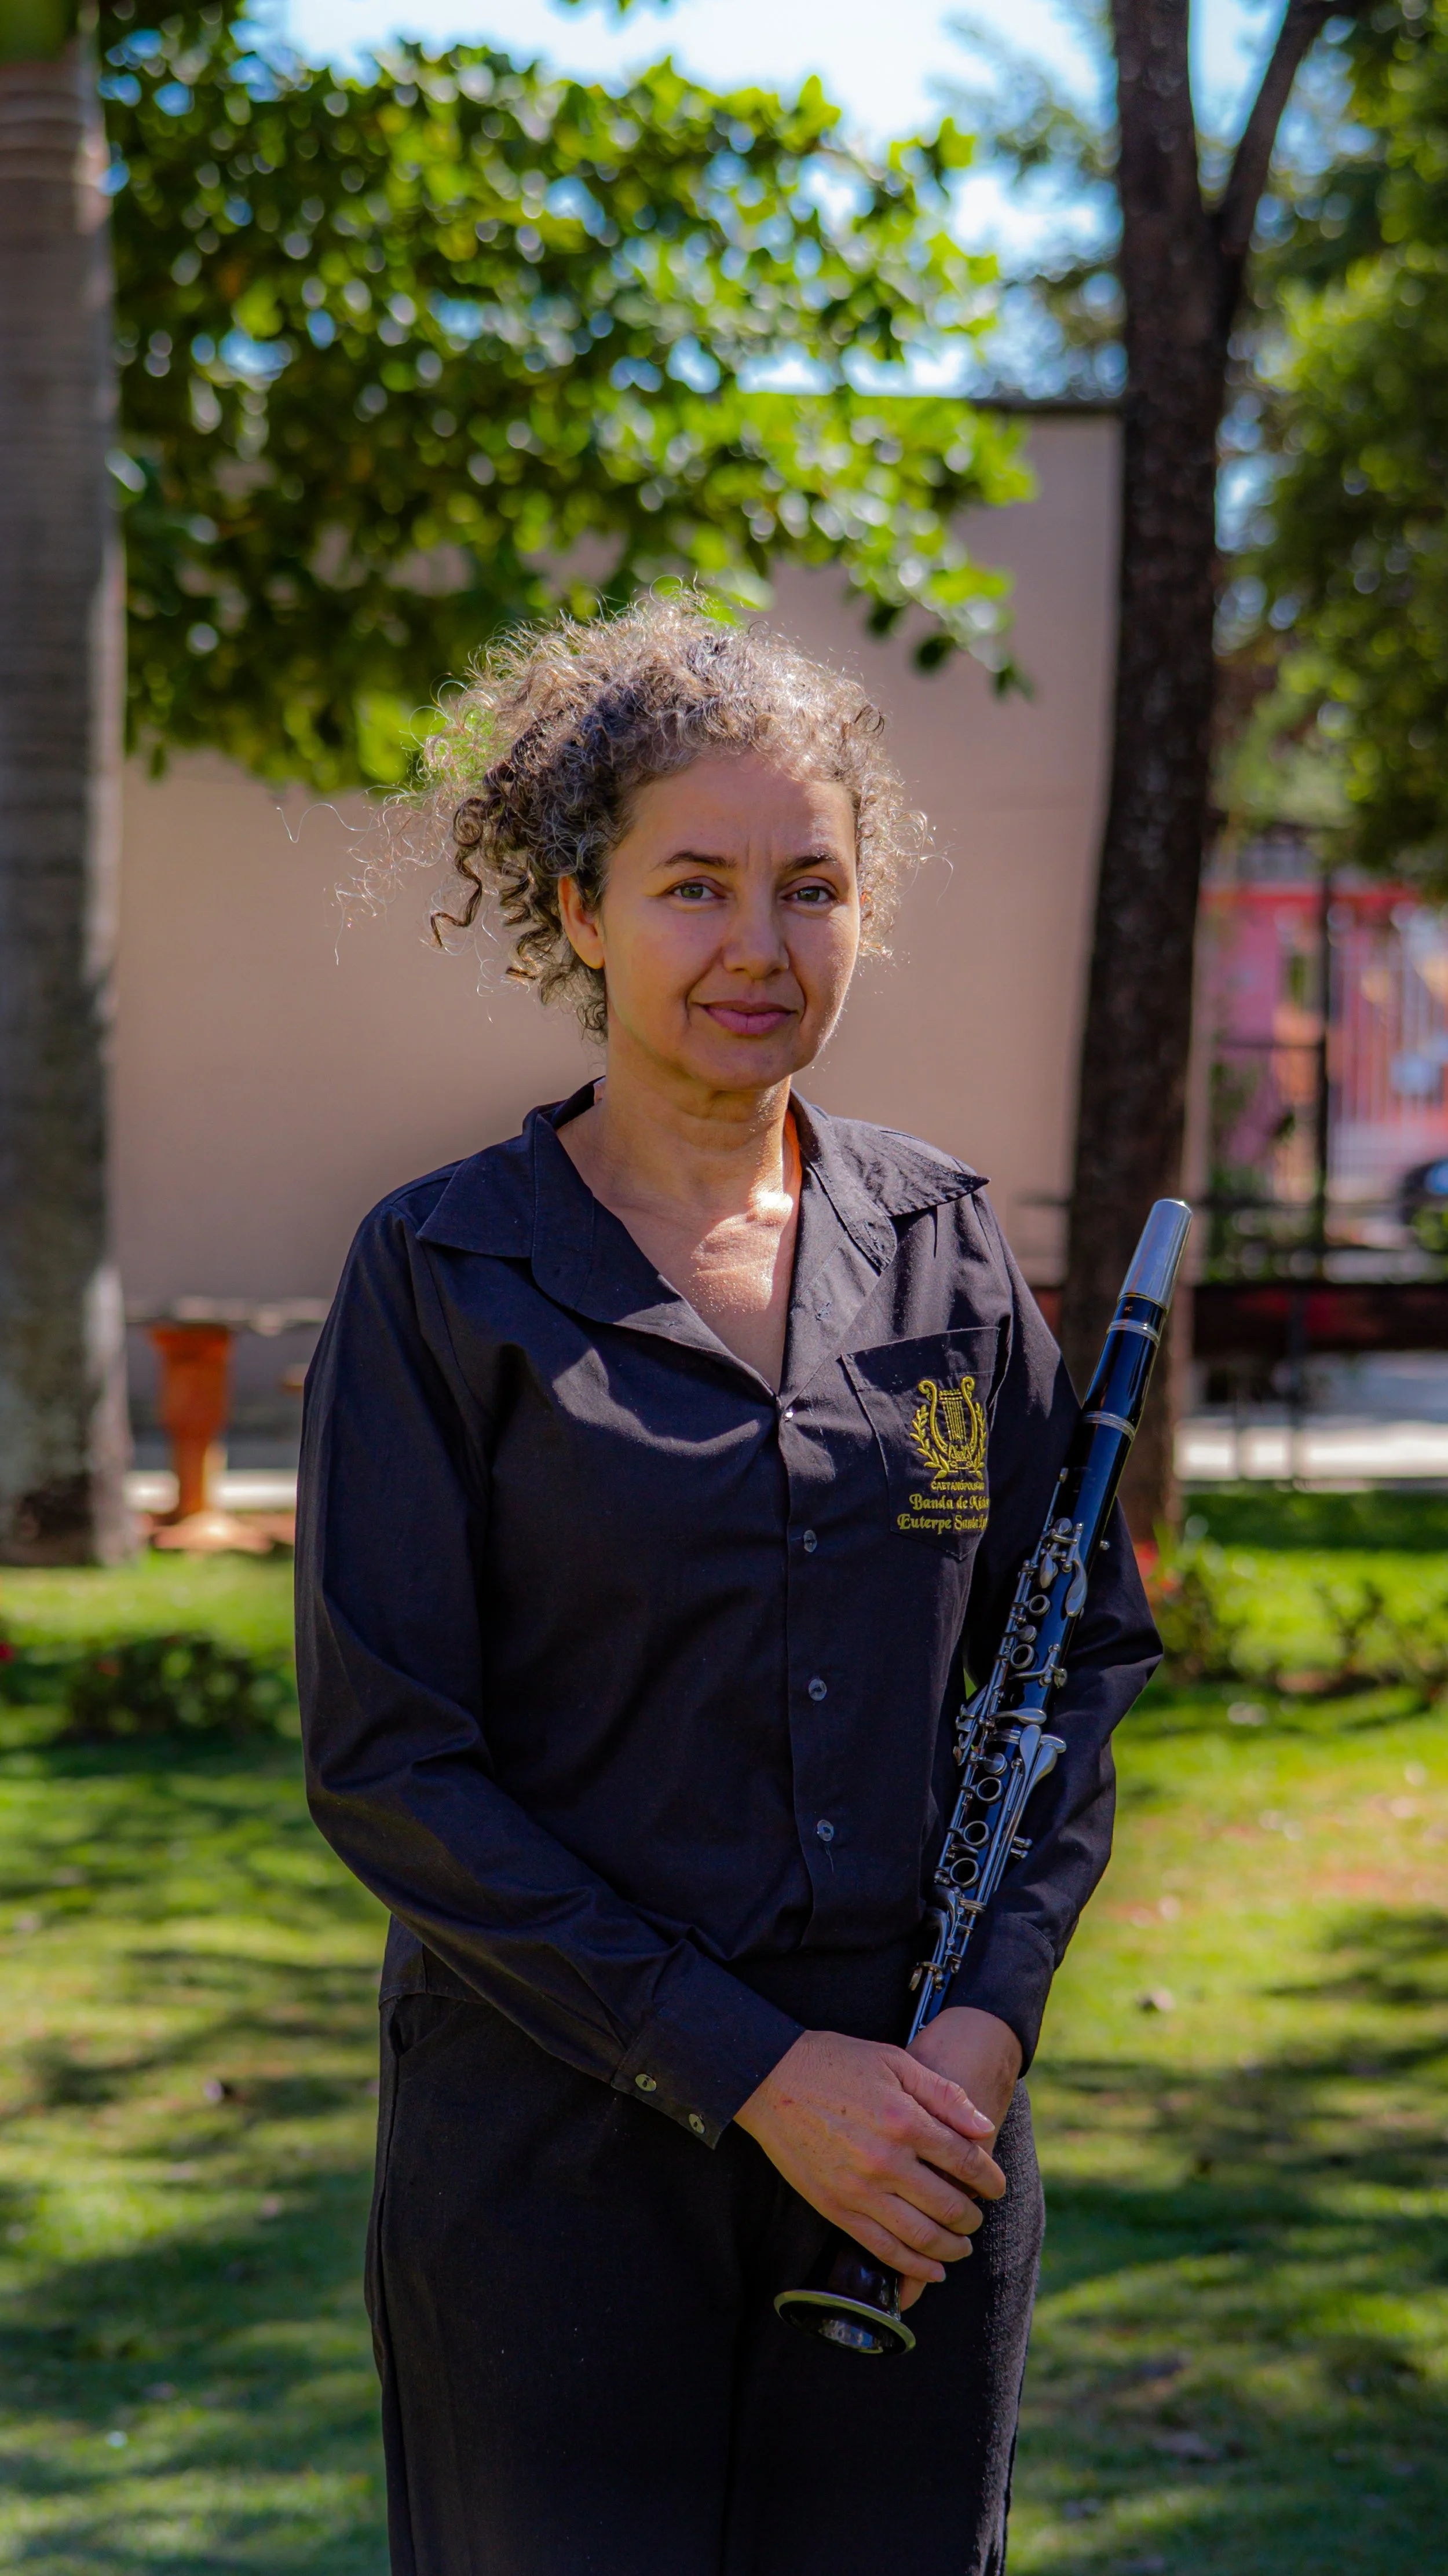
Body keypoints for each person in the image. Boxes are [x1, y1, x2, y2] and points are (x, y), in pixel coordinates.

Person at [295, 596, 1159, 2576]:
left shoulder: (945, 1250)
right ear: (580, 912)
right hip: (556, 2156)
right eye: (693, 886)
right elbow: (390, 1768)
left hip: (914, 2138)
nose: (757, 946)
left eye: (810, 888)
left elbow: (1075, 1663)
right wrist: (753, 2072)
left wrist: (983, 2031)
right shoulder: (441, 1273)